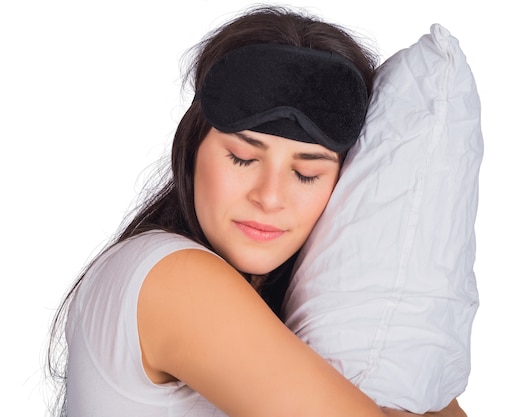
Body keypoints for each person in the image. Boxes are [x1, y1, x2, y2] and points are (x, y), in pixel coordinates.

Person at [46, 5, 466, 417]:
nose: (269, 196)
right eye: (243, 158)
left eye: (305, 174)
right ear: (192, 149)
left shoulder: (295, 314)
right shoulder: (171, 276)